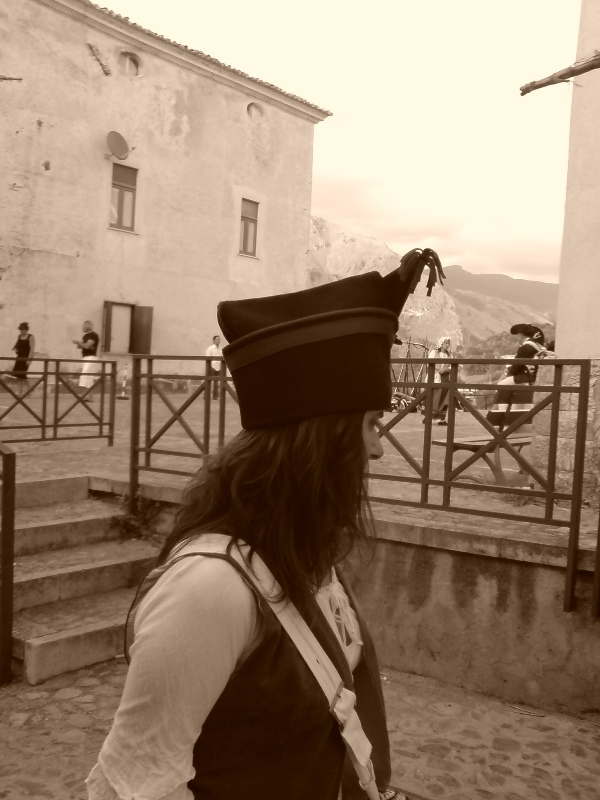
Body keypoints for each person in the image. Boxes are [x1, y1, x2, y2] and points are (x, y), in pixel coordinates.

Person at [86, 247, 445, 800]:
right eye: (371, 424)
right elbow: (131, 784)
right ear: (321, 441)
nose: (378, 448)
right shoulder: (209, 590)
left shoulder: (301, 553)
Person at [486, 323, 547, 429]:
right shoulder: (536, 346)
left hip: (524, 378)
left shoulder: (525, 347)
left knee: (501, 386)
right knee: (515, 398)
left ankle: (504, 418)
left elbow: (516, 368)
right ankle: (514, 423)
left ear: (521, 335)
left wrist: (507, 374)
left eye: (517, 336)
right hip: (533, 378)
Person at [423, 336, 452, 425]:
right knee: (433, 398)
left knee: (443, 399)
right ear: (441, 344)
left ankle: (441, 419)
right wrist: (439, 369)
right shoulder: (434, 352)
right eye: (446, 343)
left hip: (445, 379)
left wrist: (446, 369)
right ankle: (428, 417)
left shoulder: (449, 355)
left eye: (448, 343)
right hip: (434, 377)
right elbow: (430, 363)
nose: (447, 345)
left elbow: (452, 366)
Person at [5, 322, 35, 397]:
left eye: (22, 330)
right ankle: (20, 390)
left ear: (26, 330)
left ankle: (30, 390)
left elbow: (32, 349)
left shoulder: (30, 337)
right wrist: (16, 349)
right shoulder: (19, 336)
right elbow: (17, 344)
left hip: (26, 358)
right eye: (20, 330)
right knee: (18, 375)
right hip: (19, 358)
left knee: (23, 375)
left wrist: (29, 359)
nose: (21, 331)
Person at [72, 320, 101, 396]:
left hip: (91, 358)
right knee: (88, 377)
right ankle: (89, 397)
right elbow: (80, 346)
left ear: (88, 326)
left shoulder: (93, 335)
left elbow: (86, 346)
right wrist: (81, 344)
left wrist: (79, 343)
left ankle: (85, 395)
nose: (82, 327)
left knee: (85, 376)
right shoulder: (85, 336)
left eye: (83, 326)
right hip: (85, 358)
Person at [205, 334, 222, 400]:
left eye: (219, 339)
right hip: (212, 367)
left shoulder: (220, 349)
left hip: (218, 367)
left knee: (216, 383)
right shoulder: (210, 349)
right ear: (214, 340)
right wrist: (209, 367)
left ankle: (215, 396)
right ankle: (206, 396)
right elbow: (207, 358)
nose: (219, 340)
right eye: (217, 339)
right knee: (208, 382)